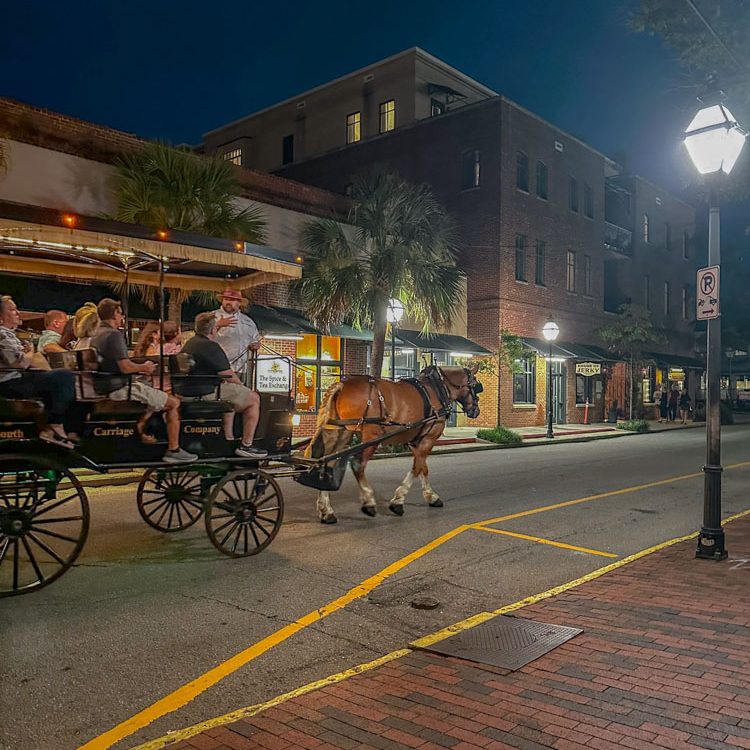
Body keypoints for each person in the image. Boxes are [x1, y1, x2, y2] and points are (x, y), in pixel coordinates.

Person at [90, 298, 196, 463]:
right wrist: (144, 367)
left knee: (153, 397)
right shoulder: (113, 334)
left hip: (103, 386)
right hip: (120, 387)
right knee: (173, 402)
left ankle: (139, 432)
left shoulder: (96, 334)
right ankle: (173, 449)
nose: (122, 318)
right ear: (115, 314)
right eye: (120, 314)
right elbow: (125, 367)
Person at [180, 312, 268, 458]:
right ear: (214, 330)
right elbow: (229, 374)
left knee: (230, 399)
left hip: (188, 391)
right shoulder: (210, 346)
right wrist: (243, 388)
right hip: (203, 393)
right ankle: (247, 444)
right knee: (253, 398)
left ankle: (228, 440)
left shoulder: (190, 343)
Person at [0, 296, 76, 448]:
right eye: (12, 309)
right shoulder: (2, 333)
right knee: (64, 376)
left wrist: (31, 355)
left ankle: (52, 427)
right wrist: (30, 352)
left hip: (18, 378)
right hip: (9, 382)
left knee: (57, 378)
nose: (17, 313)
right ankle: (55, 427)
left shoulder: (9, 334)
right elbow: (20, 363)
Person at [212, 289, 261, 380]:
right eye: (226, 299)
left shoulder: (248, 321)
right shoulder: (212, 317)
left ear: (239, 303)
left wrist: (255, 345)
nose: (228, 302)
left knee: (242, 393)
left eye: (232, 300)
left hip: (242, 368)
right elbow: (202, 336)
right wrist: (217, 325)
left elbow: (255, 340)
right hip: (220, 369)